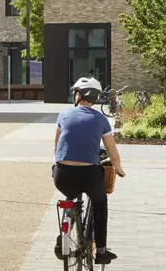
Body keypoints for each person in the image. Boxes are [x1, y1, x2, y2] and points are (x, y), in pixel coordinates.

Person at [54, 77, 126, 265]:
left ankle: (64, 233)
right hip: (89, 175)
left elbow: (57, 147)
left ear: (78, 95)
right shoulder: (101, 119)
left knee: (70, 195)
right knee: (100, 203)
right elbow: (113, 153)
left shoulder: (63, 115)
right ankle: (101, 251)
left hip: (62, 175)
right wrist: (119, 170)